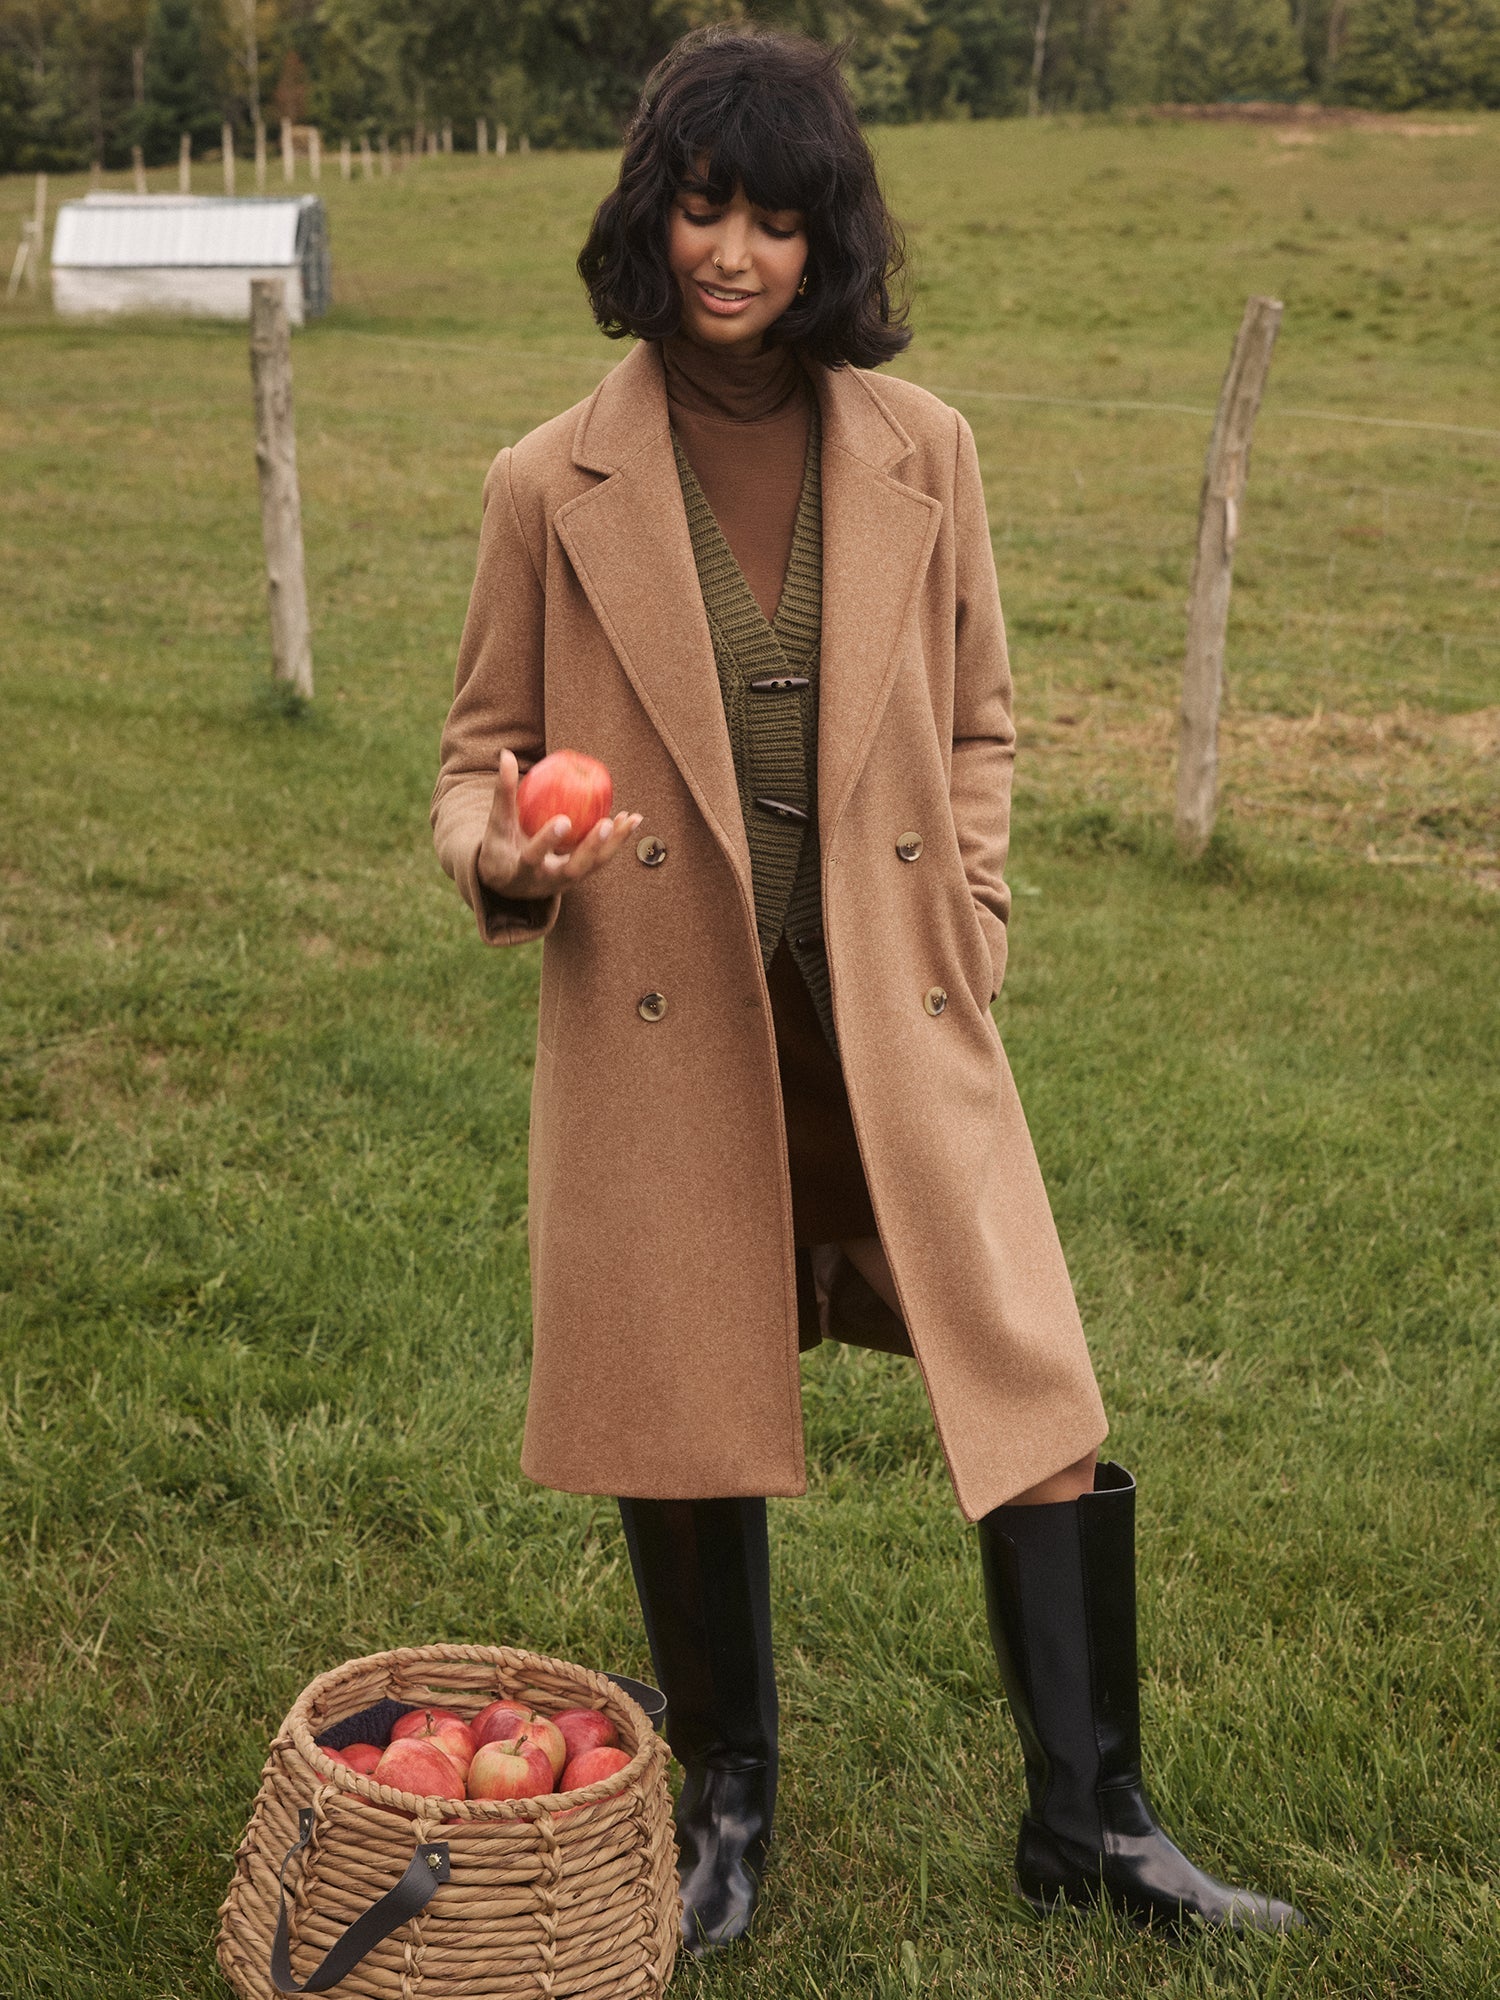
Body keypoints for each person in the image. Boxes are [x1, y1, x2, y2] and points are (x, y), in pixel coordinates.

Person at [432, 25, 1306, 1959]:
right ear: (647, 217)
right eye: (702, 204)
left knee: (1035, 1389)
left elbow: (980, 724)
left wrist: (971, 910)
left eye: (777, 215)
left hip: (892, 1010)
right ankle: (727, 1803)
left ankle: (1094, 1817)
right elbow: (478, 751)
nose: (733, 250)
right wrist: (505, 856)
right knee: (683, 1404)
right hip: (670, 1025)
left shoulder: (928, 452)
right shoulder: (542, 482)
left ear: (831, 241)